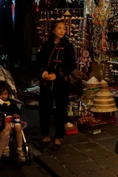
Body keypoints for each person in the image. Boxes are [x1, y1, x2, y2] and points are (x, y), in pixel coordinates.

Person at [37, 20, 75, 151]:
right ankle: (46, 136)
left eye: (64, 29)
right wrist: (44, 71)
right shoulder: (46, 45)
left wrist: (57, 74)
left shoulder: (68, 46)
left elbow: (71, 65)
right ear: (53, 30)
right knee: (44, 109)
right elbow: (40, 61)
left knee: (61, 110)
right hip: (47, 82)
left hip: (61, 82)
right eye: (59, 28)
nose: (62, 31)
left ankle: (58, 138)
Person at [0, 81, 26, 162]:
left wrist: (16, 114)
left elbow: (17, 111)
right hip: (3, 120)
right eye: (1, 94)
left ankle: (19, 148)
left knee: (18, 128)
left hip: (12, 118)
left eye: (5, 94)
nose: (3, 96)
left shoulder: (11, 102)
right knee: (7, 127)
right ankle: (6, 147)